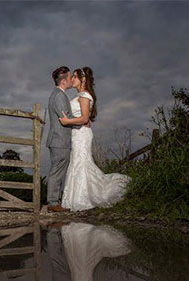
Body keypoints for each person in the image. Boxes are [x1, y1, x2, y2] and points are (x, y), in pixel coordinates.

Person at [59, 67, 132, 211]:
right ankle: (74, 198)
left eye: (75, 76)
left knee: (81, 163)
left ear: (83, 79)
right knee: (77, 163)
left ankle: (83, 199)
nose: (72, 79)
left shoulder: (85, 96)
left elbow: (85, 118)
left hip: (82, 135)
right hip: (77, 134)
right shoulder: (81, 95)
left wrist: (67, 122)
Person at [45, 66, 83, 213]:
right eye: (69, 77)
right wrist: (83, 121)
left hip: (59, 140)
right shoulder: (59, 96)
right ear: (64, 80)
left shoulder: (56, 94)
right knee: (57, 171)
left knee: (58, 170)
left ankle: (54, 201)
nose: (71, 80)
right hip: (59, 141)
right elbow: (66, 117)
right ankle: (53, 203)